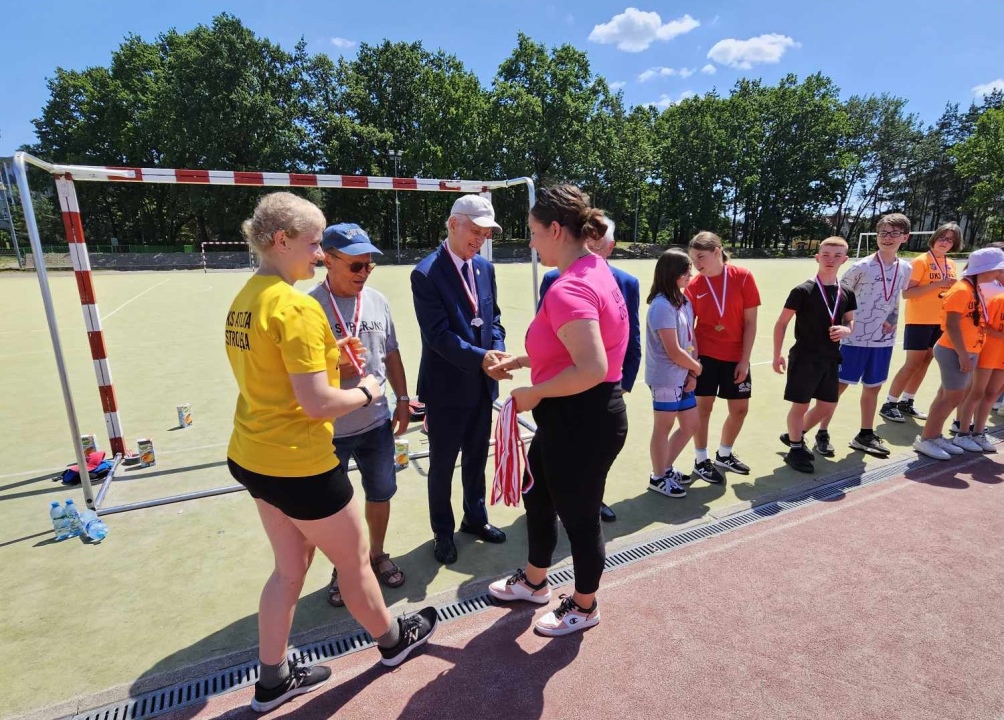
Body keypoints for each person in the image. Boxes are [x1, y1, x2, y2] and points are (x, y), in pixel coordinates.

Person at [224, 193, 436, 713]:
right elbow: (318, 404)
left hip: (252, 455)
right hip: (300, 463)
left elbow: (274, 372)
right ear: (281, 240)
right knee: (355, 561)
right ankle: (392, 642)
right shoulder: (297, 306)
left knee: (288, 569)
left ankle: (273, 679)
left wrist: (328, 357)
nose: (319, 254)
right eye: (315, 244)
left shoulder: (246, 298)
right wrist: (369, 391)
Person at [486, 184, 628, 637]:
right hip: (574, 416)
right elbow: (577, 346)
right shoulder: (594, 269)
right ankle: (534, 580)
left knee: (580, 516)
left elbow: (591, 367)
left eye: (532, 233)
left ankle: (584, 606)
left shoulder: (571, 287)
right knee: (539, 496)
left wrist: (534, 393)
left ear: (554, 229)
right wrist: (525, 360)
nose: (529, 243)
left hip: (581, 417)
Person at [308, 223, 411, 607]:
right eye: (356, 266)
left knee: (381, 492)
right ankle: (344, 567)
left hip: (377, 423)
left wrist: (403, 399)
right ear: (328, 261)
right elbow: (297, 374)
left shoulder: (378, 301)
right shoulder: (308, 306)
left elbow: (393, 352)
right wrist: (335, 365)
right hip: (328, 429)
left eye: (369, 266)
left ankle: (377, 553)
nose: (364, 273)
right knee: (335, 507)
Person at [411, 195, 511, 565]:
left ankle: (475, 518)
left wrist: (497, 350)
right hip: (446, 389)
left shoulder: (485, 268)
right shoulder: (426, 273)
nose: (481, 238)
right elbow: (438, 336)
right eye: (475, 230)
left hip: (483, 385)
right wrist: (482, 358)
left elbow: (494, 318)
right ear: (453, 224)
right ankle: (442, 531)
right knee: (441, 465)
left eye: (486, 233)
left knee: (475, 459)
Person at [539, 216, 640, 522]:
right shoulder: (553, 279)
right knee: (558, 456)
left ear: (609, 247)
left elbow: (631, 335)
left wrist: (625, 381)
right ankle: (560, 503)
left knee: (595, 457)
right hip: (565, 385)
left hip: (605, 385)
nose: (591, 248)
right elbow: (547, 334)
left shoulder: (626, 282)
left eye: (599, 243)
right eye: (589, 240)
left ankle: (593, 499)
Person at [803, 214, 911, 458]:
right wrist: (839, 329)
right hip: (853, 340)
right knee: (836, 389)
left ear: (905, 237)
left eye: (894, 233)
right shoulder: (861, 267)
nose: (887, 237)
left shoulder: (905, 268)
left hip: (883, 341)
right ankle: (821, 432)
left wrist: (892, 321)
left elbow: (895, 301)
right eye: (883, 232)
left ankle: (864, 433)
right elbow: (837, 299)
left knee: (873, 388)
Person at [773, 237, 857, 473]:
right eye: (826, 255)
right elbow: (781, 323)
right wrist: (777, 353)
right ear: (817, 257)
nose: (831, 260)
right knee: (800, 406)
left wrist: (847, 329)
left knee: (827, 405)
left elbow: (851, 321)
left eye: (837, 256)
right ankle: (796, 448)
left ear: (845, 259)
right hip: (804, 358)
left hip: (831, 358)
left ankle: (794, 436)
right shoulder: (803, 290)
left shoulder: (847, 292)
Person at [913, 247, 1004, 459]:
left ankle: (933, 435)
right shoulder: (962, 289)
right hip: (954, 350)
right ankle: (927, 439)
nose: (998, 274)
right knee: (953, 396)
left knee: (947, 395)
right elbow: (952, 325)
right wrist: (963, 354)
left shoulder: (974, 288)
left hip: (965, 349)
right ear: (985, 269)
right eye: (996, 269)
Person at [686, 231, 761, 483]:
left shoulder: (743, 277)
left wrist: (744, 359)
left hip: (736, 356)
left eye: (701, 257)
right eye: (693, 259)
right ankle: (701, 459)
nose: (696, 264)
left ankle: (724, 454)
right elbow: (690, 327)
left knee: (740, 409)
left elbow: (751, 323)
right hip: (705, 356)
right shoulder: (694, 285)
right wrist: (694, 362)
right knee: (702, 410)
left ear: (717, 251)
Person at [882, 223, 961, 421]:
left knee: (926, 361)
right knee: (913, 363)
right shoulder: (920, 262)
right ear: (934, 238)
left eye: (950, 239)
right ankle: (889, 403)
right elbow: (907, 293)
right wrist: (938, 284)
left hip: (940, 321)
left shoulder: (951, 264)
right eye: (942, 237)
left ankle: (907, 401)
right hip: (919, 320)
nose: (945, 242)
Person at [645, 248, 703, 497]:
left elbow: (691, 338)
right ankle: (658, 477)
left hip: (684, 374)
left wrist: (692, 373)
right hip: (666, 378)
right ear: (673, 274)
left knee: (691, 424)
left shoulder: (684, 301)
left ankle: (665, 467)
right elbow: (673, 350)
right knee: (664, 426)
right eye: (686, 271)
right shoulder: (660, 307)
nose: (691, 274)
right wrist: (696, 367)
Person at [953, 273, 1004, 453]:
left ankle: (978, 432)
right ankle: (963, 432)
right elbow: (984, 327)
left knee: (992, 393)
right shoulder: (998, 300)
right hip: (989, 351)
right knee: (977, 391)